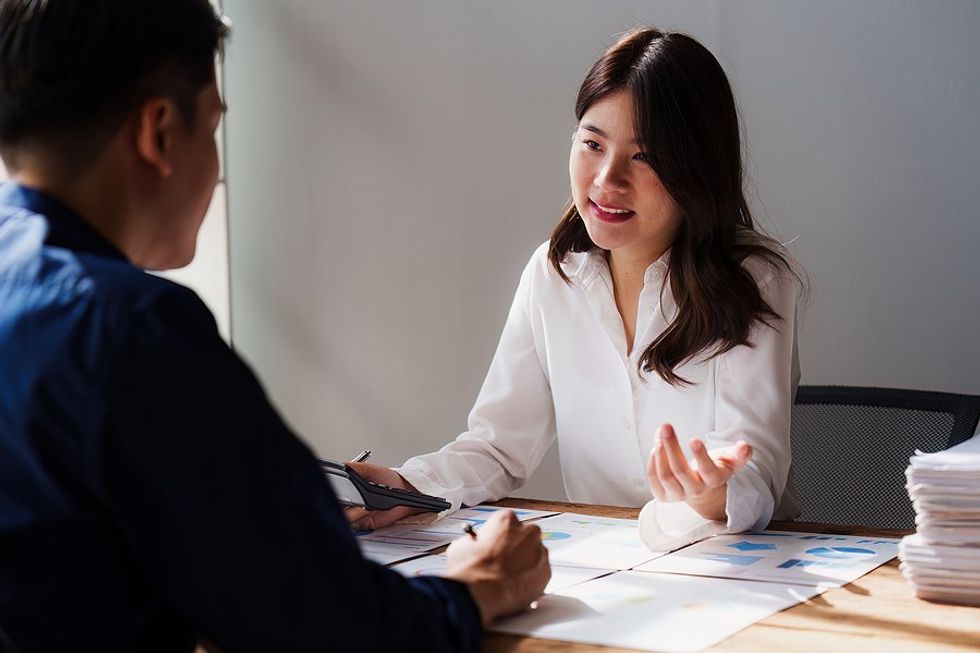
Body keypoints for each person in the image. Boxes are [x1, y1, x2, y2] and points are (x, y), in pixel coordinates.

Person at [0, 1, 549, 651]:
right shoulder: (133, 330)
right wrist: (481, 582)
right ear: (160, 132)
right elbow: (329, 622)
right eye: (214, 127)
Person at [348, 27, 804, 549]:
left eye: (645, 156)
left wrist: (709, 492)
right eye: (592, 144)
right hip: (607, 562)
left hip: (741, 563)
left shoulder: (755, 282)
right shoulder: (552, 273)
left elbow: (757, 471)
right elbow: (498, 446)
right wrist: (409, 486)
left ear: (696, 167)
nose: (607, 179)